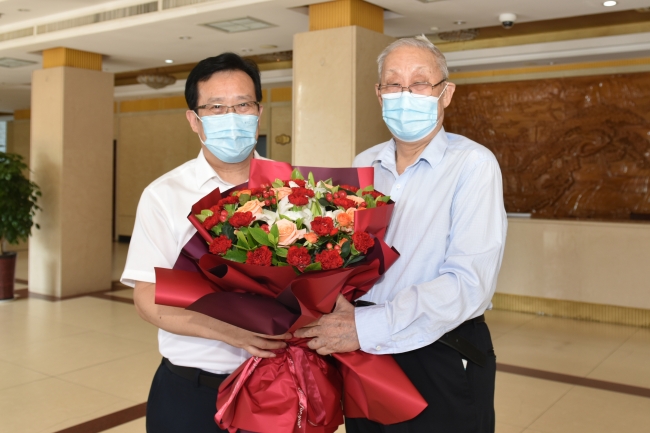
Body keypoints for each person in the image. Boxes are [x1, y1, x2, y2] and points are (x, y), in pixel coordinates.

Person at [294, 36, 507, 433]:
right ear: (379, 95)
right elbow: (350, 255)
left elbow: (468, 283)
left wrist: (365, 328)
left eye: (420, 83)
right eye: (393, 84)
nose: (405, 94)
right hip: (363, 349)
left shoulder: (473, 164)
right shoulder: (365, 163)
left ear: (446, 93)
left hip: (440, 349)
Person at [121, 53, 291, 433]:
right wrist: (230, 332)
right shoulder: (164, 195)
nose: (232, 116)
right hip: (192, 391)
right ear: (194, 120)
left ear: (259, 112)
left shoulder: (291, 189)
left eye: (243, 105)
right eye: (216, 107)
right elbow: (146, 296)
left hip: (277, 384)